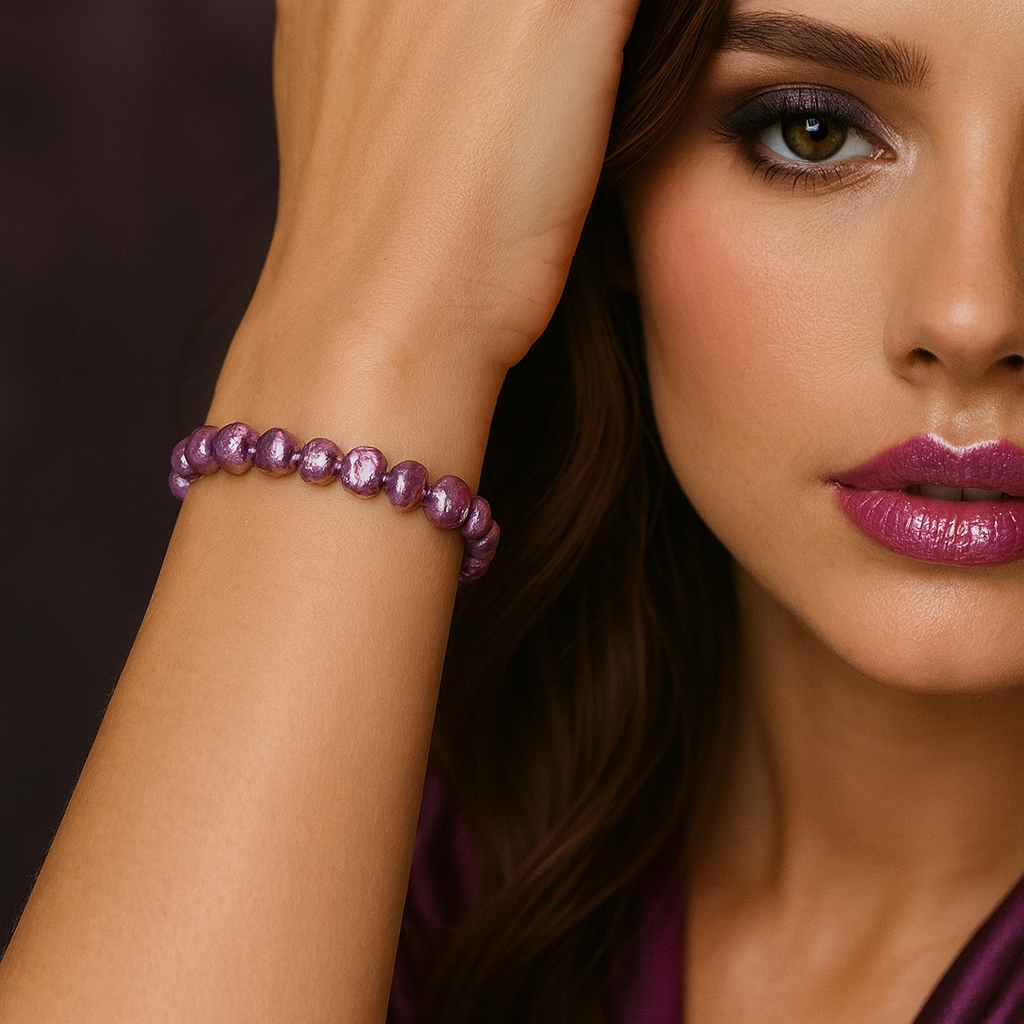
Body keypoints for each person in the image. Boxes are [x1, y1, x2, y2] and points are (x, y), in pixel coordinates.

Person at [3, 0, 1024, 1020]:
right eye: (812, 131)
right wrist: (375, 315)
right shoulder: (425, 855)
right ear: (597, 169)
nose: (972, 314)